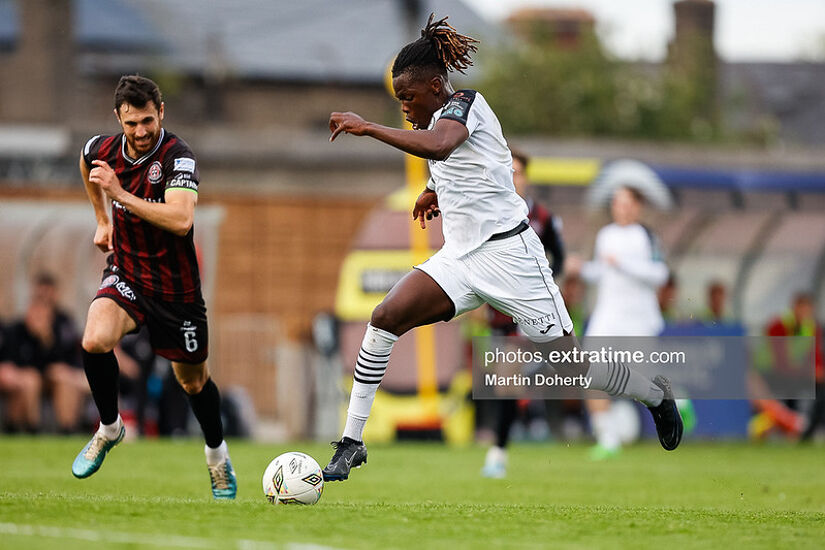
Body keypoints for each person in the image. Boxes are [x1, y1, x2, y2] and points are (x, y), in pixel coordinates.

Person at [322, 14, 682, 482]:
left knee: (570, 368)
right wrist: (434, 191)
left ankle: (653, 394)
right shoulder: (436, 118)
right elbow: (458, 164)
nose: (405, 108)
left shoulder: (466, 105)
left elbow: (442, 145)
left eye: (408, 98)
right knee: (384, 318)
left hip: (511, 257)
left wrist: (367, 127)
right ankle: (352, 443)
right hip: (461, 258)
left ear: (436, 85)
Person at [73, 75, 236, 499]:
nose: (141, 131)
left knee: (194, 383)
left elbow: (181, 219)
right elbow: (86, 159)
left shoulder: (178, 157)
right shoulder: (104, 149)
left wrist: (119, 196)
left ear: (161, 112)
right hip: (126, 273)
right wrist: (102, 219)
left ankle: (217, 457)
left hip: (176, 293)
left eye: (147, 121)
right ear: (118, 119)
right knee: (94, 339)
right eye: (131, 124)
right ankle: (109, 428)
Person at [482, 149, 566, 478]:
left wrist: (545, 282)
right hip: (498, 313)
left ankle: (498, 452)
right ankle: (518, 429)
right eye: (508, 170)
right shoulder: (490, 212)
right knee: (507, 383)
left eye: (518, 171)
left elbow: (558, 255)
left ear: (527, 177)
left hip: (529, 309)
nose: (513, 177)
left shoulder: (541, 216)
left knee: (507, 376)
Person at [581, 186, 671, 459]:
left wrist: (623, 263)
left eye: (626, 203)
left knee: (644, 381)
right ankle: (607, 438)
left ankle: (680, 404)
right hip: (607, 316)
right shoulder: (605, 235)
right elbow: (600, 271)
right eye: (617, 202)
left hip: (638, 319)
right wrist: (581, 270)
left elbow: (660, 274)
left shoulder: (646, 236)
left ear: (637, 206)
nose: (621, 208)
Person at [0, 274, 87, 433]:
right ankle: (32, 429)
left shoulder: (63, 323)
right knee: (30, 379)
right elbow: (15, 360)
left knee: (64, 379)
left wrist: (46, 338)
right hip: (29, 376)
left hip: (55, 376)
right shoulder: (19, 328)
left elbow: (66, 358)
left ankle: (68, 430)